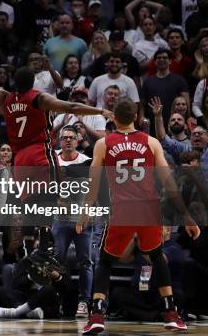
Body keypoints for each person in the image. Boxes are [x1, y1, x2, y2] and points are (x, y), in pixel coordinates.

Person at [0, 32, 109, 260]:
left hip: (20, 158)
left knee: (31, 205)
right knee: (56, 195)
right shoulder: (38, 99)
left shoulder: (6, 98)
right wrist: (100, 110)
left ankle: (32, 244)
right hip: (39, 153)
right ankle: (47, 243)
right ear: (33, 83)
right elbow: (72, 107)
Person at [78, 98, 200, 334]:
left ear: (113, 118)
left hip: (122, 207)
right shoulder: (152, 142)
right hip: (148, 207)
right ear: (136, 117)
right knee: (155, 255)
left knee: (104, 260)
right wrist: (186, 215)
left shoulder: (103, 144)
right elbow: (168, 180)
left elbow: (93, 183)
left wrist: (85, 212)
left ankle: (96, 316)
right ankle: (171, 313)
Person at [53, 126, 93, 318]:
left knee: (85, 261)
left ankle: (84, 301)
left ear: (78, 140)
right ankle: (60, 299)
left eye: (71, 137)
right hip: (60, 219)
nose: (68, 140)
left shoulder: (87, 162)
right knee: (56, 259)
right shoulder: (53, 160)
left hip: (82, 219)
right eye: (64, 138)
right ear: (60, 141)